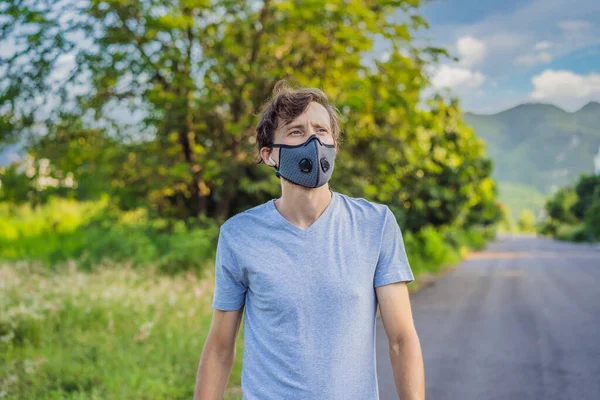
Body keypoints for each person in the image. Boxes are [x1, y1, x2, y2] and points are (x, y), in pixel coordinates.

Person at [194, 80, 425, 399]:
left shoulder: (375, 224)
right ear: (270, 155)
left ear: (334, 147)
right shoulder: (239, 235)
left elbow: (401, 339)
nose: (313, 140)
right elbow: (220, 349)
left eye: (321, 130)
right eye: (296, 131)